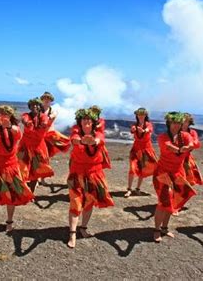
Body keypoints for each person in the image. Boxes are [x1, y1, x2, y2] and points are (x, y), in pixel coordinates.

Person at [0, 105, 34, 240]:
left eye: (6, 114)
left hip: (11, 166)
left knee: (11, 196)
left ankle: (9, 222)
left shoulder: (15, 129)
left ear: (10, 116)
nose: (3, 116)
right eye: (1, 114)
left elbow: (17, 132)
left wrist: (8, 126)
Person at [67, 108, 114, 249]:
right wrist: (81, 141)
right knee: (75, 203)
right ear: (79, 122)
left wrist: (93, 141)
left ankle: (83, 227)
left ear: (94, 122)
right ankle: (72, 233)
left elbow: (100, 140)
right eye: (84, 119)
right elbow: (74, 140)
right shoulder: (76, 132)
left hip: (94, 174)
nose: (86, 121)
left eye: (89, 120)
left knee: (89, 203)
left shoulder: (99, 133)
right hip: (77, 174)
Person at [152, 112, 196, 243]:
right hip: (162, 174)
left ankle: (164, 227)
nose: (175, 125)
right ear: (168, 123)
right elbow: (169, 147)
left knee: (173, 201)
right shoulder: (162, 137)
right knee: (163, 201)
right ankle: (156, 229)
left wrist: (189, 146)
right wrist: (182, 149)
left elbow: (193, 143)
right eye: (173, 123)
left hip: (178, 173)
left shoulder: (186, 136)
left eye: (178, 123)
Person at [18, 98, 54, 192]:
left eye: (36, 105)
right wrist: (26, 123)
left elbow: (45, 122)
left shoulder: (43, 116)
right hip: (25, 146)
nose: (34, 106)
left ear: (39, 106)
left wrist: (44, 124)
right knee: (22, 167)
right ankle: (23, 189)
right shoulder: (26, 115)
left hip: (38, 146)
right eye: (32, 105)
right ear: (29, 107)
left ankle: (31, 191)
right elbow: (24, 119)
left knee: (36, 170)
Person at [125, 108, 158, 197]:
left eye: (142, 115)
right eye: (139, 115)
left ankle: (137, 188)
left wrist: (144, 131)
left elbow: (149, 129)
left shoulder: (148, 124)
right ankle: (129, 189)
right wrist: (134, 129)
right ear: (137, 116)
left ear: (145, 115)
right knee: (132, 169)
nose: (141, 116)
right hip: (136, 150)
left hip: (146, 149)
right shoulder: (134, 125)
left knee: (143, 169)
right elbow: (132, 130)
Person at [40, 92, 71, 158]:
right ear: (42, 100)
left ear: (51, 101)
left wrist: (49, 117)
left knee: (47, 155)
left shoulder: (53, 111)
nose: (46, 100)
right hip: (40, 135)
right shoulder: (38, 111)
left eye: (48, 98)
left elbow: (53, 115)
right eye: (45, 98)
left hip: (49, 135)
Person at [181, 113, 203, 186]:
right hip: (174, 158)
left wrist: (189, 145)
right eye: (182, 121)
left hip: (186, 158)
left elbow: (196, 143)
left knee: (188, 180)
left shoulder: (192, 132)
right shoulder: (175, 130)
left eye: (185, 121)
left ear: (189, 122)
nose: (183, 123)